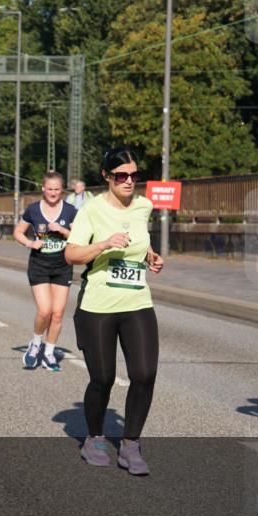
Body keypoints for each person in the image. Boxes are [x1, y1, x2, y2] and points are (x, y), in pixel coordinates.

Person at [65, 147, 164, 476]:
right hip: (98, 306)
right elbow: (72, 254)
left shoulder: (144, 205)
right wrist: (105, 244)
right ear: (107, 177)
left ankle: (131, 444)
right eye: (121, 175)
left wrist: (150, 255)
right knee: (103, 378)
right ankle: (93, 438)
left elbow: (138, 237)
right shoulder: (91, 210)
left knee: (144, 374)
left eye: (134, 175)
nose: (129, 181)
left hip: (137, 301)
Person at [14, 171, 79, 371]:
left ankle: (49, 353)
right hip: (39, 265)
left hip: (62, 266)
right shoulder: (33, 210)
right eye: (49, 189)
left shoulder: (70, 211)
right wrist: (30, 243)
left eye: (57, 189)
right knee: (45, 311)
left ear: (62, 190)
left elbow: (78, 237)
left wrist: (63, 230)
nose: (53, 193)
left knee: (58, 314)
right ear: (43, 189)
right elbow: (17, 232)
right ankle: (35, 343)